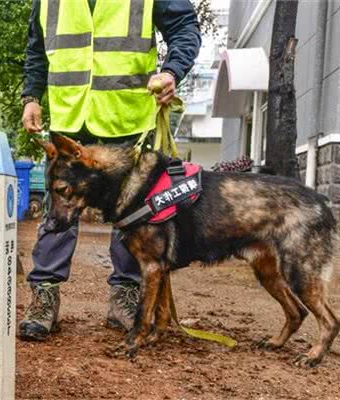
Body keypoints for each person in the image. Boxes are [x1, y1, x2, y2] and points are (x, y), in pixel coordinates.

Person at [19, 0, 202, 340]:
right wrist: (31, 95)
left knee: (132, 216)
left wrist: (172, 71)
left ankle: (126, 296)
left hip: (126, 121)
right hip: (70, 121)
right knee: (58, 208)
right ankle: (44, 297)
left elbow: (185, 28)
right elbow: (37, 47)